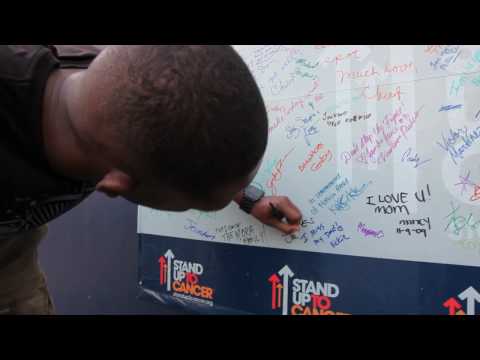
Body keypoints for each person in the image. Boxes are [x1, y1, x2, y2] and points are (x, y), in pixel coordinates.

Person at [0, 45, 303, 315]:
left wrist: (248, 198)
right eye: (193, 204)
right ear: (115, 185)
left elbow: (189, 134)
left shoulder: (123, 79)